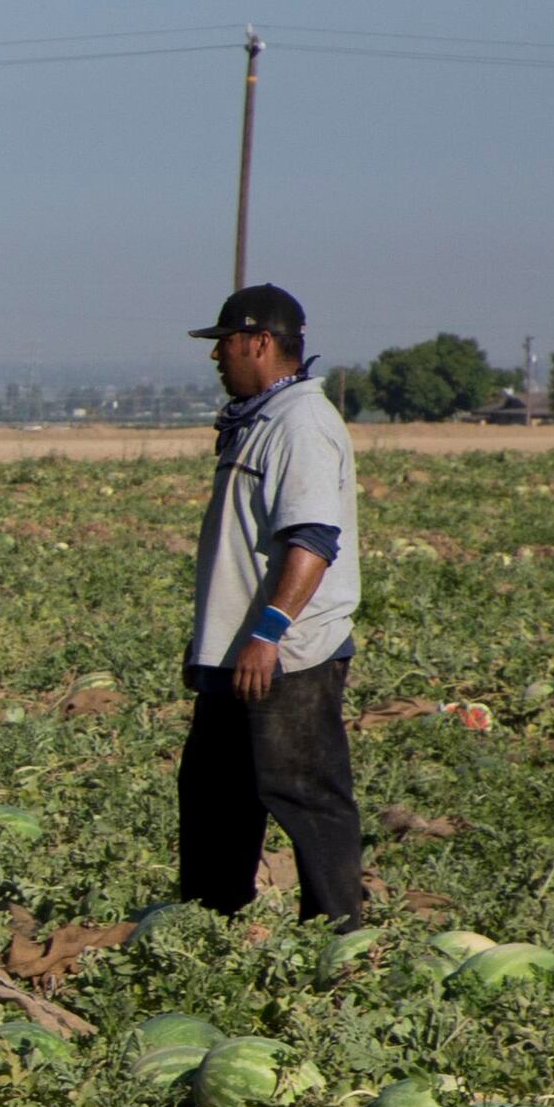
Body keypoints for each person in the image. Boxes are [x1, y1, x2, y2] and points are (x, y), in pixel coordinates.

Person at [178, 282, 366, 923]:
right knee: (215, 798)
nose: (216, 356)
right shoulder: (260, 421)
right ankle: (210, 929)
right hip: (238, 655)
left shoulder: (300, 424)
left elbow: (313, 540)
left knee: (305, 795)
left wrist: (269, 631)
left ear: (259, 342)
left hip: (286, 655)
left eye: (224, 342)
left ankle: (338, 938)